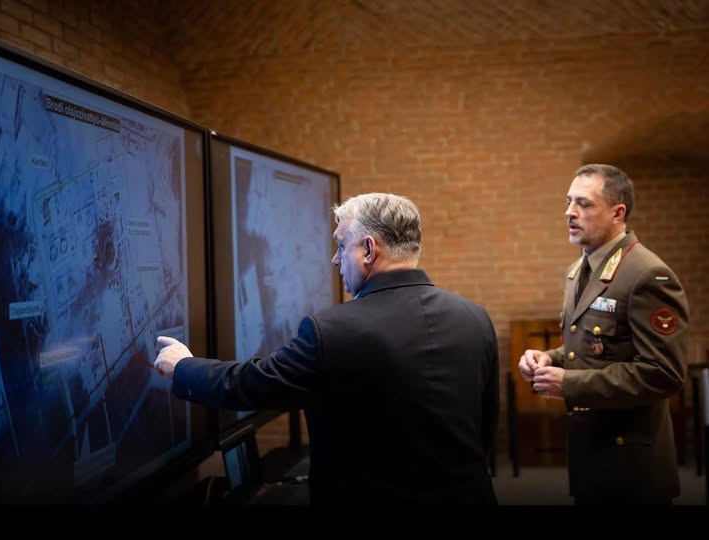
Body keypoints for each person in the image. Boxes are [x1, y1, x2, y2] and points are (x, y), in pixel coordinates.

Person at [156, 192, 499, 505]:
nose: (335, 259)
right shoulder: (475, 318)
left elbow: (254, 384)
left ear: (368, 250)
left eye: (341, 245)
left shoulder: (333, 331)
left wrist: (184, 366)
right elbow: (485, 429)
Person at [518, 164, 689, 504]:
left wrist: (569, 384)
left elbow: (663, 373)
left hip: (632, 465)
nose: (569, 212)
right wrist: (548, 359)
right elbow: (593, 346)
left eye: (584, 203)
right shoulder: (577, 270)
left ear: (617, 213)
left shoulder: (646, 274)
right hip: (590, 455)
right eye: (568, 201)